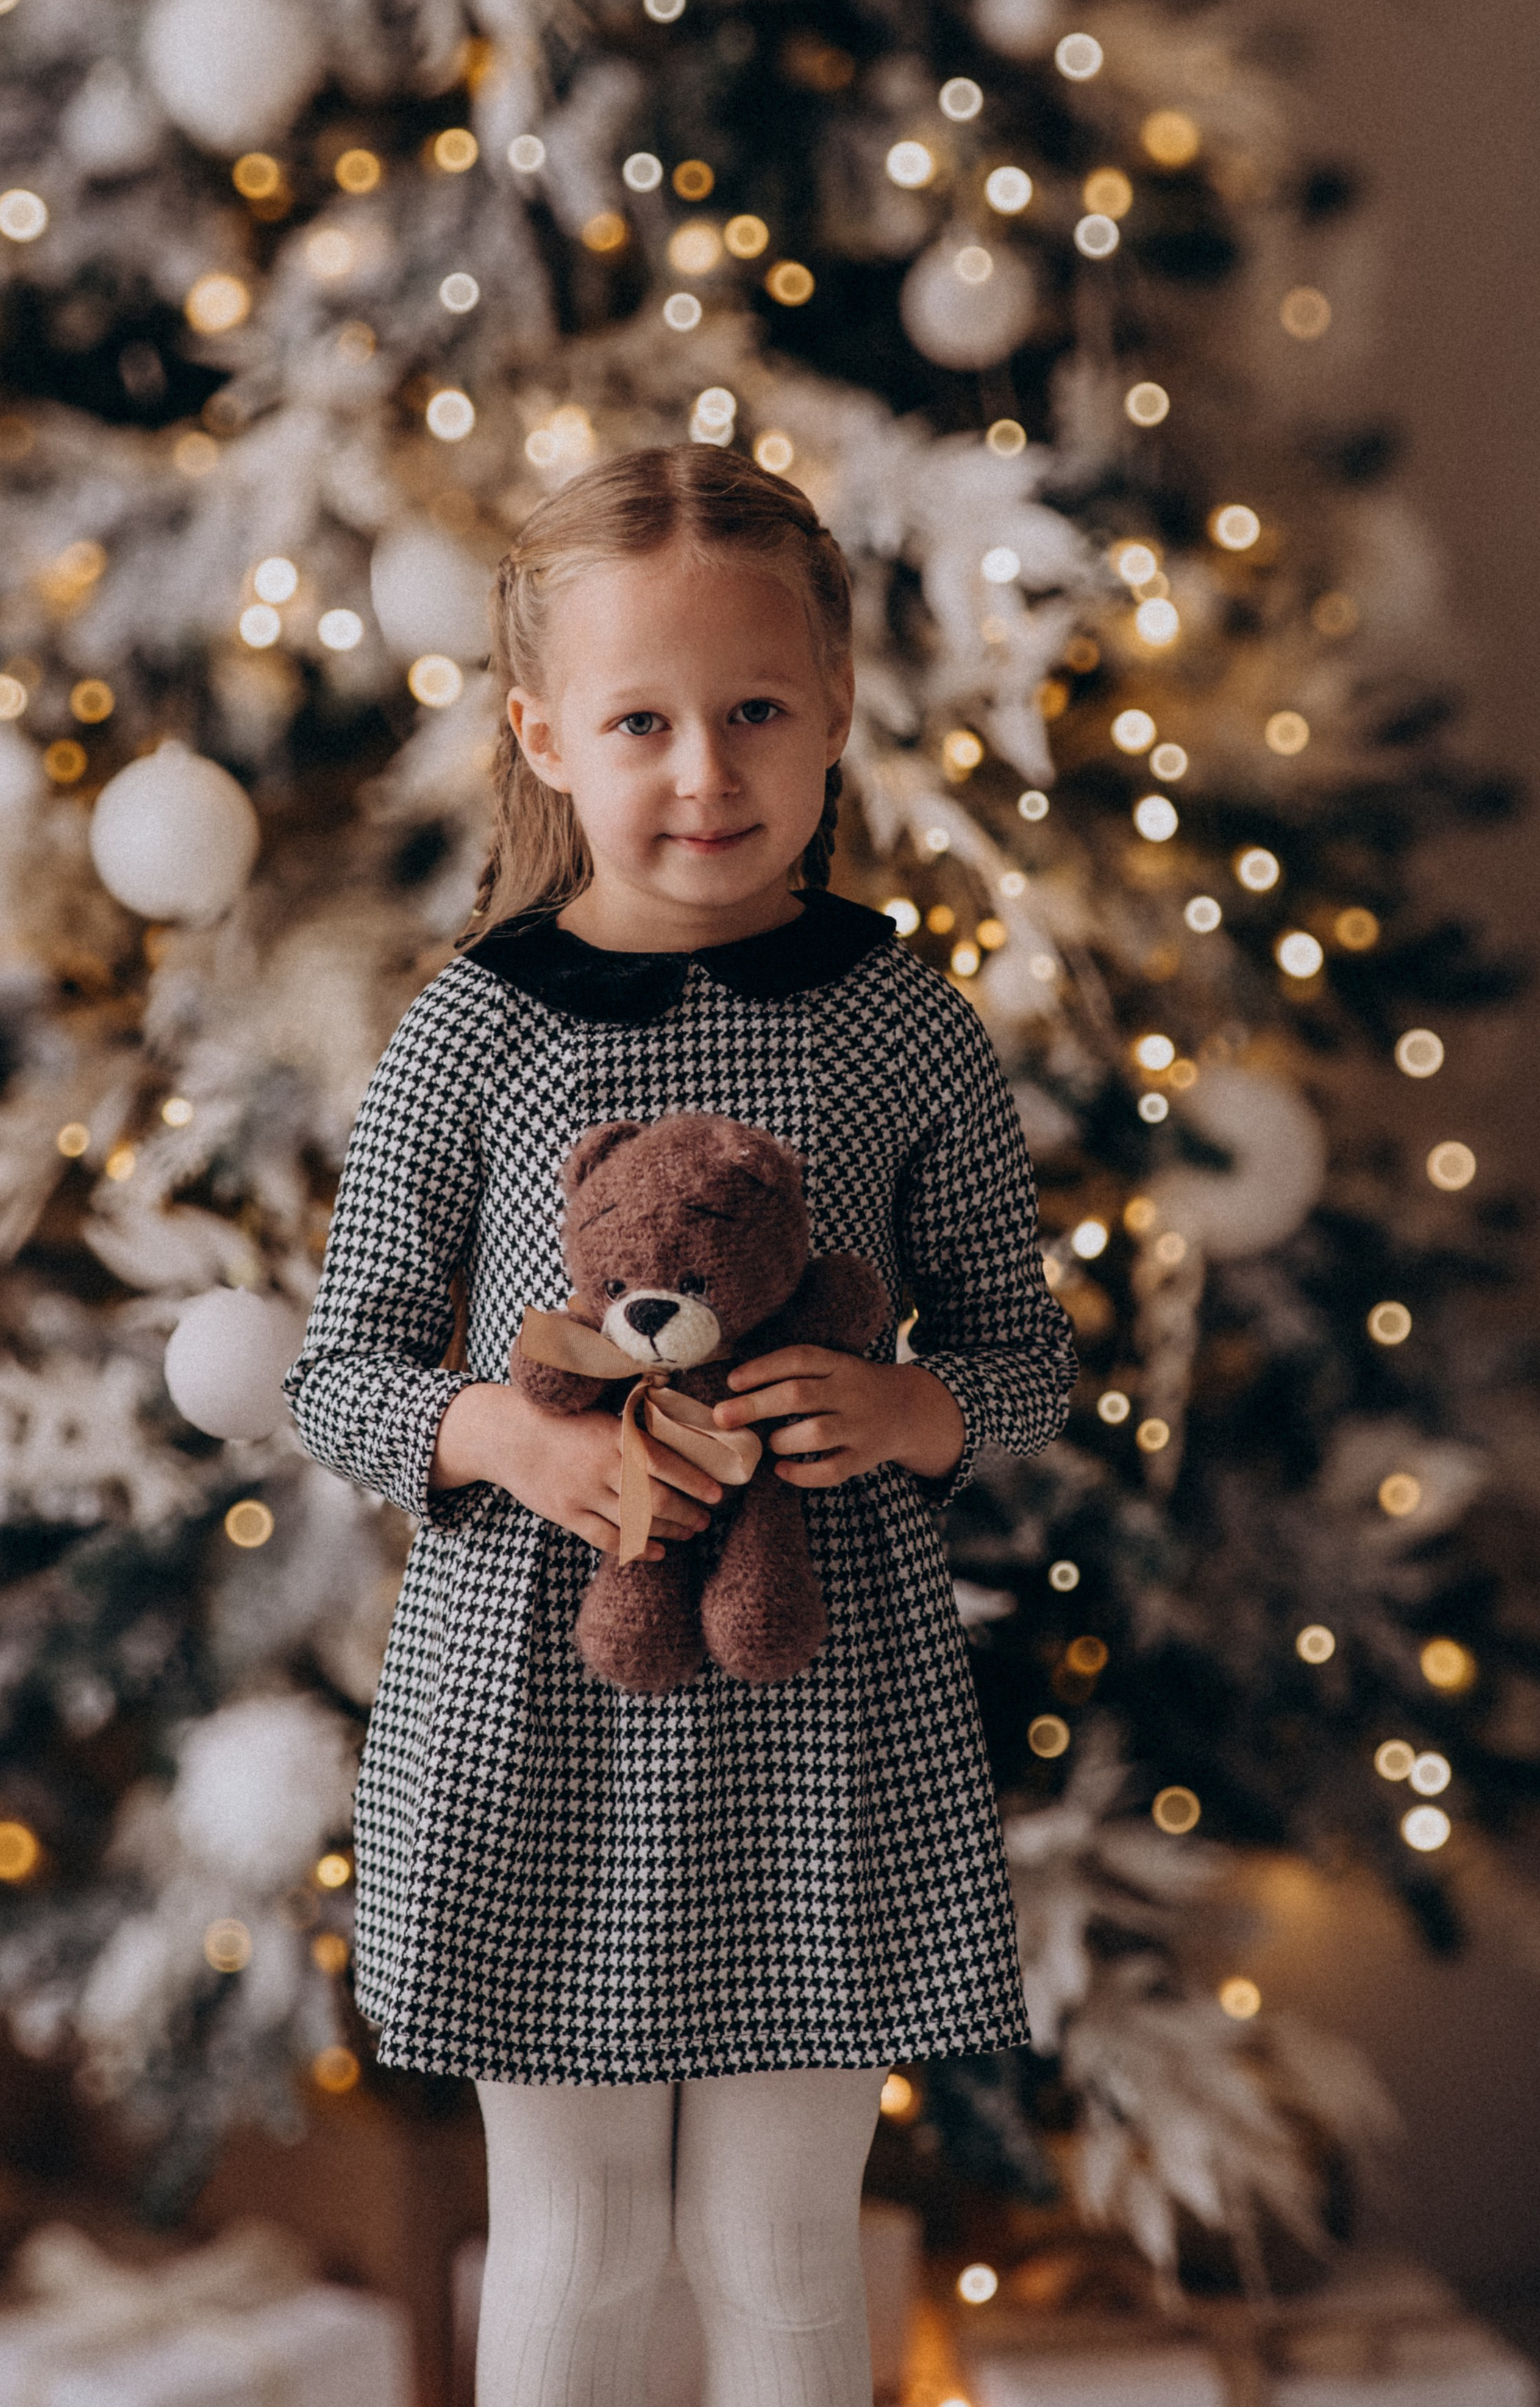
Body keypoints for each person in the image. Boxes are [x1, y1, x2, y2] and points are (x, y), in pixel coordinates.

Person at [287, 444, 1074, 2407]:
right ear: (546, 735)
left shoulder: (902, 1022)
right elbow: (339, 1368)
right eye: (644, 721)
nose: (704, 776)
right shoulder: (472, 1029)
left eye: (754, 715)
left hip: (826, 1717)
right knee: (578, 2235)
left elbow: (1028, 1356)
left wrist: (907, 1406)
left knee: (782, 2240)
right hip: (538, 1714)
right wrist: (516, 1441)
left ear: (836, 722)